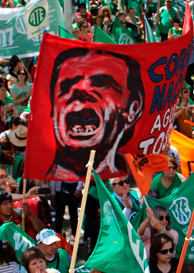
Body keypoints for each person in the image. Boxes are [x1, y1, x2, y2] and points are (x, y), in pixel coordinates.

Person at [46, 48, 145, 178]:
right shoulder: (41, 179)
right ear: (52, 106)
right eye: (67, 85)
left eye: (101, 83)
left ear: (133, 108)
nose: (79, 89)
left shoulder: (129, 180)